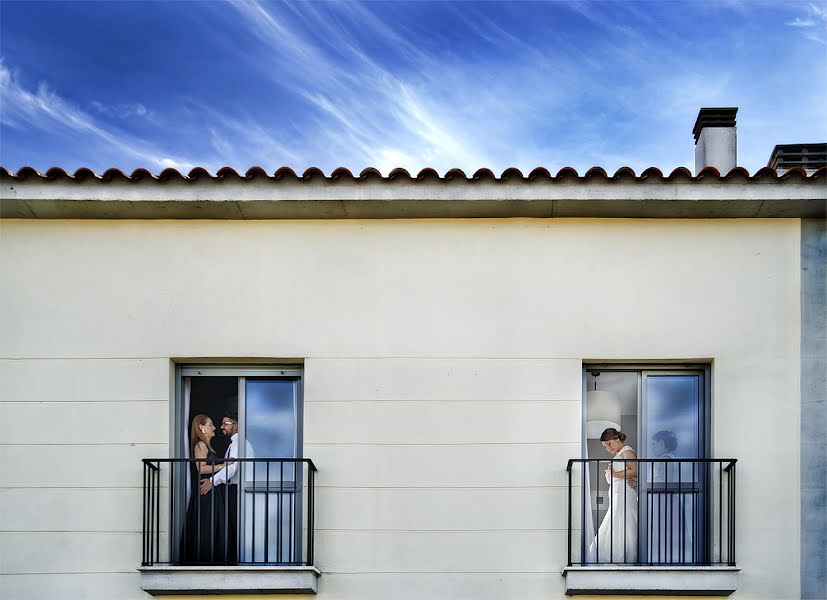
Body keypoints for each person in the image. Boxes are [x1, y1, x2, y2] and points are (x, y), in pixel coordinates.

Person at [199, 412, 251, 563]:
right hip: (235, 490)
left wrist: (212, 481)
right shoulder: (236, 443)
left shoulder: (239, 443)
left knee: (235, 527)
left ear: (235, 426)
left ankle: (235, 561)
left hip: (238, 490)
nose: (221, 427)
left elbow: (233, 467)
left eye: (224, 424)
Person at [182, 414, 228, 563]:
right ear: (201, 427)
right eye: (210, 425)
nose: (214, 428)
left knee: (212, 523)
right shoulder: (200, 445)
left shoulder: (207, 446)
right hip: (205, 491)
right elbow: (201, 468)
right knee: (206, 524)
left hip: (211, 490)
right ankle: (203, 558)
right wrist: (223, 465)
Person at [589, 427, 638, 563]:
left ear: (617, 439)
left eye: (609, 444)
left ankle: (624, 556)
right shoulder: (619, 454)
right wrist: (609, 476)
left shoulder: (627, 451)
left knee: (623, 520)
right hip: (616, 494)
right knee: (615, 520)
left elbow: (634, 470)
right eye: (605, 447)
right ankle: (612, 555)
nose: (608, 448)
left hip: (624, 494)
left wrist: (614, 474)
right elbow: (615, 477)